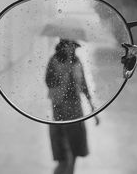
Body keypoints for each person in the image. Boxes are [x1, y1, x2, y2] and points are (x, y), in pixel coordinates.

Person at [45, 39, 99, 174]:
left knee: (74, 147)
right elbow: (49, 81)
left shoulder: (77, 61)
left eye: (73, 46)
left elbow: (84, 84)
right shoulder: (54, 60)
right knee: (63, 150)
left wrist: (93, 108)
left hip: (75, 109)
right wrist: (63, 73)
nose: (72, 49)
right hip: (60, 108)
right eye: (69, 46)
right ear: (63, 46)